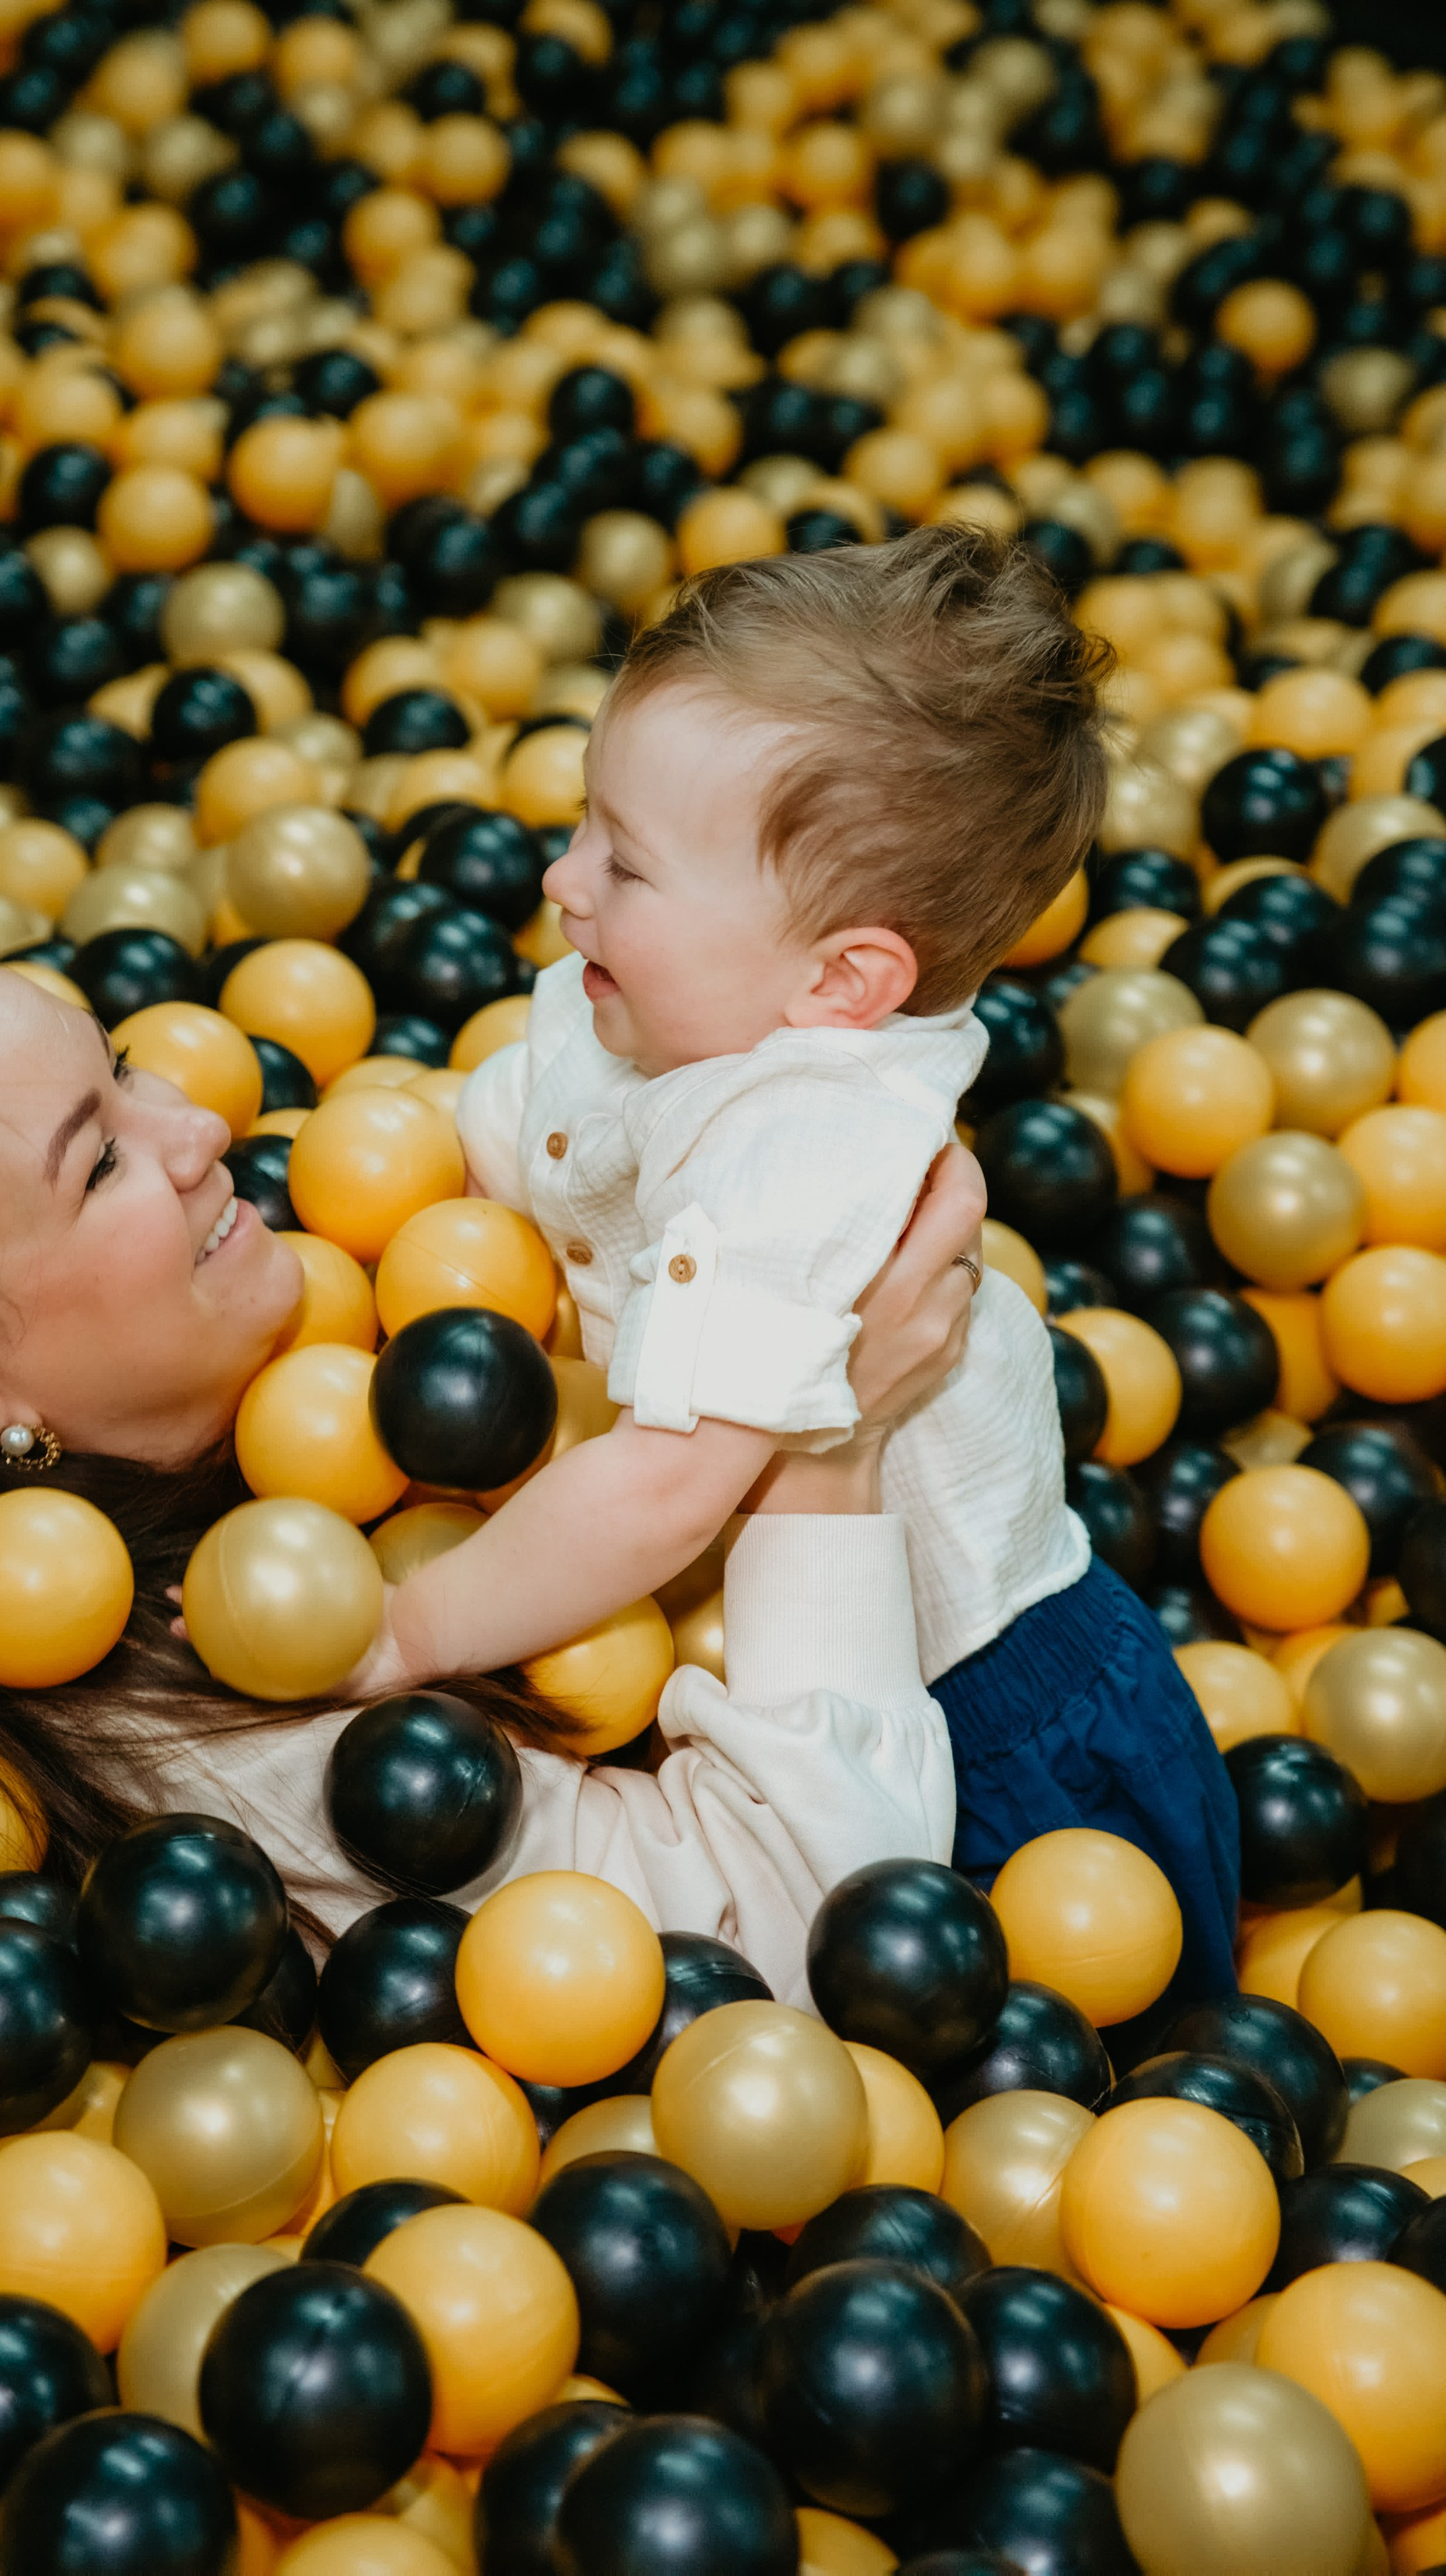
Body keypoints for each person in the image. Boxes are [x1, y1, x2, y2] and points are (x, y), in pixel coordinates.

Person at [0, 939, 979, 1999]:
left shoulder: (335, 1273)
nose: (198, 1130)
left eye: (125, 1067)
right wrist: (819, 1441)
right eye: (98, 1168)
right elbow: (818, 1946)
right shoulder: (200, 1721)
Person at [376, 528, 1238, 2004]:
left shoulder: (815, 1142)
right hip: (750, 1638)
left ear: (841, 981)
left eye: (623, 862)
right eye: (587, 819)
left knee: (1058, 2037)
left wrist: (405, 1632)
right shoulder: (670, 988)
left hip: (990, 1716)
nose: (559, 876)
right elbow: (552, 1124)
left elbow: (666, 1485)